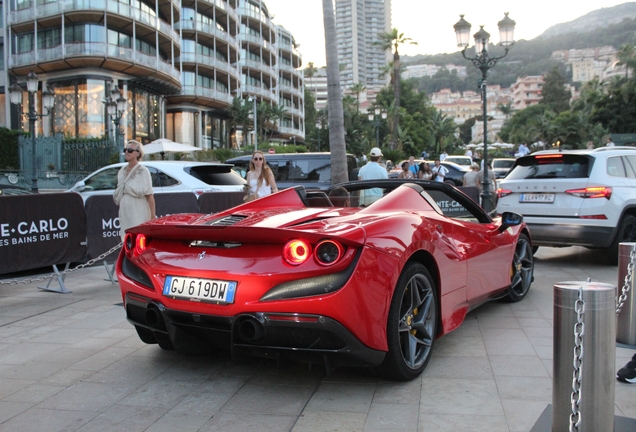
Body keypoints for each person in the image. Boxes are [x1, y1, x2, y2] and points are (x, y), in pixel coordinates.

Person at [113, 140, 156, 241]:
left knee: (139, 238)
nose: (127, 152)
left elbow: (149, 195)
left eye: (130, 150)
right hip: (125, 211)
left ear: (138, 153)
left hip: (139, 209)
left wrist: (153, 216)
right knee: (126, 238)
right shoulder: (122, 171)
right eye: (125, 150)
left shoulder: (143, 171)